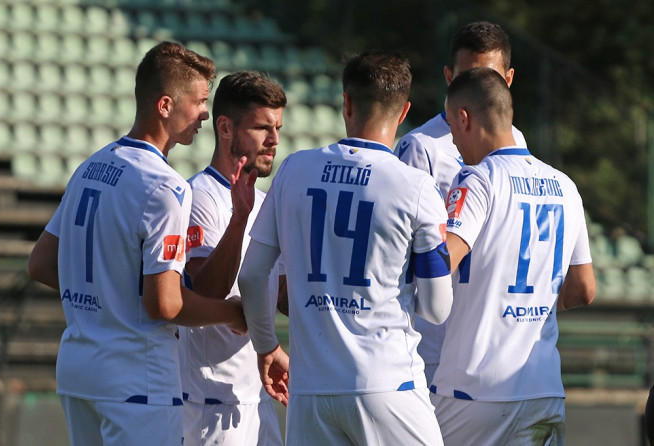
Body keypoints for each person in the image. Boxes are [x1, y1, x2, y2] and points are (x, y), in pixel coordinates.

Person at [26, 42, 247, 446]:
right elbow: (164, 304)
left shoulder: (90, 166)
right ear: (165, 105)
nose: (205, 113)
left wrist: (108, 293)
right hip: (136, 381)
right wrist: (231, 312)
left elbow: (40, 263)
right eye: (199, 101)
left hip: (78, 370)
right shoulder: (166, 187)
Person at [238, 51, 453, 445]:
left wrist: (266, 346)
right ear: (404, 111)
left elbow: (252, 275)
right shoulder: (417, 187)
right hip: (388, 383)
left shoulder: (293, 170)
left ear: (346, 103)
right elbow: (437, 309)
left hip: (310, 391)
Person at [431, 67, 596, 445]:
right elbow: (584, 289)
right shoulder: (566, 186)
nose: (453, 141)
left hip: (475, 390)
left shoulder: (478, 179)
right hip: (544, 390)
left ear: (464, 118)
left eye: (453, 128)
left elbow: (441, 263)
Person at [395, 20, 528, 385]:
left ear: (509, 79)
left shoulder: (517, 140)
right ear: (448, 77)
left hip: (495, 341)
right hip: (437, 346)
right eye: (467, 77)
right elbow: (403, 251)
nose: (477, 87)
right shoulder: (420, 146)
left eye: (490, 77)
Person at [179, 71, 286, 446]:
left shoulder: (265, 201)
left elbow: (282, 296)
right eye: (262, 127)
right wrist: (239, 219)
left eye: (278, 128)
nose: (274, 140)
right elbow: (204, 290)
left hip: (258, 397)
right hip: (212, 406)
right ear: (225, 128)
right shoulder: (198, 196)